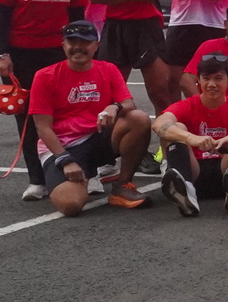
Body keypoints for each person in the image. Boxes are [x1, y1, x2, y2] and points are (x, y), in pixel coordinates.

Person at [0, 0, 89, 200]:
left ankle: (75, 171)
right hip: (22, 56)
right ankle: (37, 179)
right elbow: (2, 17)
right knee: (28, 119)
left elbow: (77, 20)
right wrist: (2, 54)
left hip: (59, 55)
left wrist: (80, 55)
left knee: (66, 114)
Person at [27, 20, 153, 215]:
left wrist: (114, 106)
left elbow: (128, 103)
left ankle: (122, 186)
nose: (78, 47)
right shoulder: (44, 76)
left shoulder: (108, 69)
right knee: (71, 206)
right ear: (63, 45)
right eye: (72, 41)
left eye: (85, 42)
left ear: (96, 45)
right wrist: (65, 160)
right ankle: (80, 176)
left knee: (139, 119)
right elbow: (43, 127)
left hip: (97, 137)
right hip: (63, 146)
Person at [155, 54, 228, 216]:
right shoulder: (188, 105)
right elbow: (158, 124)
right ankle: (186, 190)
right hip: (195, 172)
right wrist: (191, 138)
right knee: (175, 128)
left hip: (226, 170)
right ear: (198, 80)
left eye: (218, 78)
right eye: (206, 78)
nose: (212, 84)